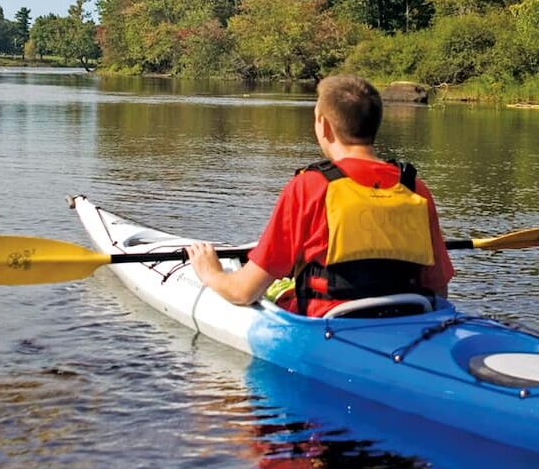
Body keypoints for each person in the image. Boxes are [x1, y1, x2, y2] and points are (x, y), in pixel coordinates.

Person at [186, 74, 453, 316]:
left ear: (323, 125)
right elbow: (438, 289)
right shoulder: (413, 187)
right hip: (406, 318)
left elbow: (244, 292)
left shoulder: (309, 186)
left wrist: (212, 273)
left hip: (327, 325)